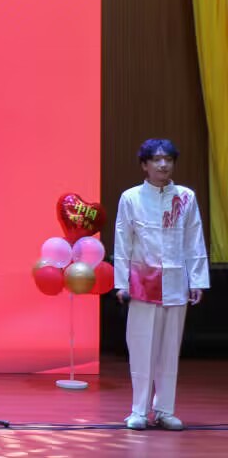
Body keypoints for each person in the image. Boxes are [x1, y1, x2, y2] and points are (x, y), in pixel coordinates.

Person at [114, 139, 209, 431]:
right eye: (156, 159)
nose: (163, 164)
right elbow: (122, 241)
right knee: (142, 349)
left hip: (176, 283)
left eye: (168, 159)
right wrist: (121, 283)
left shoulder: (186, 197)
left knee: (169, 352)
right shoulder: (131, 198)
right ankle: (139, 411)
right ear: (145, 165)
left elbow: (194, 238)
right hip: (143, 283)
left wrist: (197, 279)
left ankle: (165, 410)